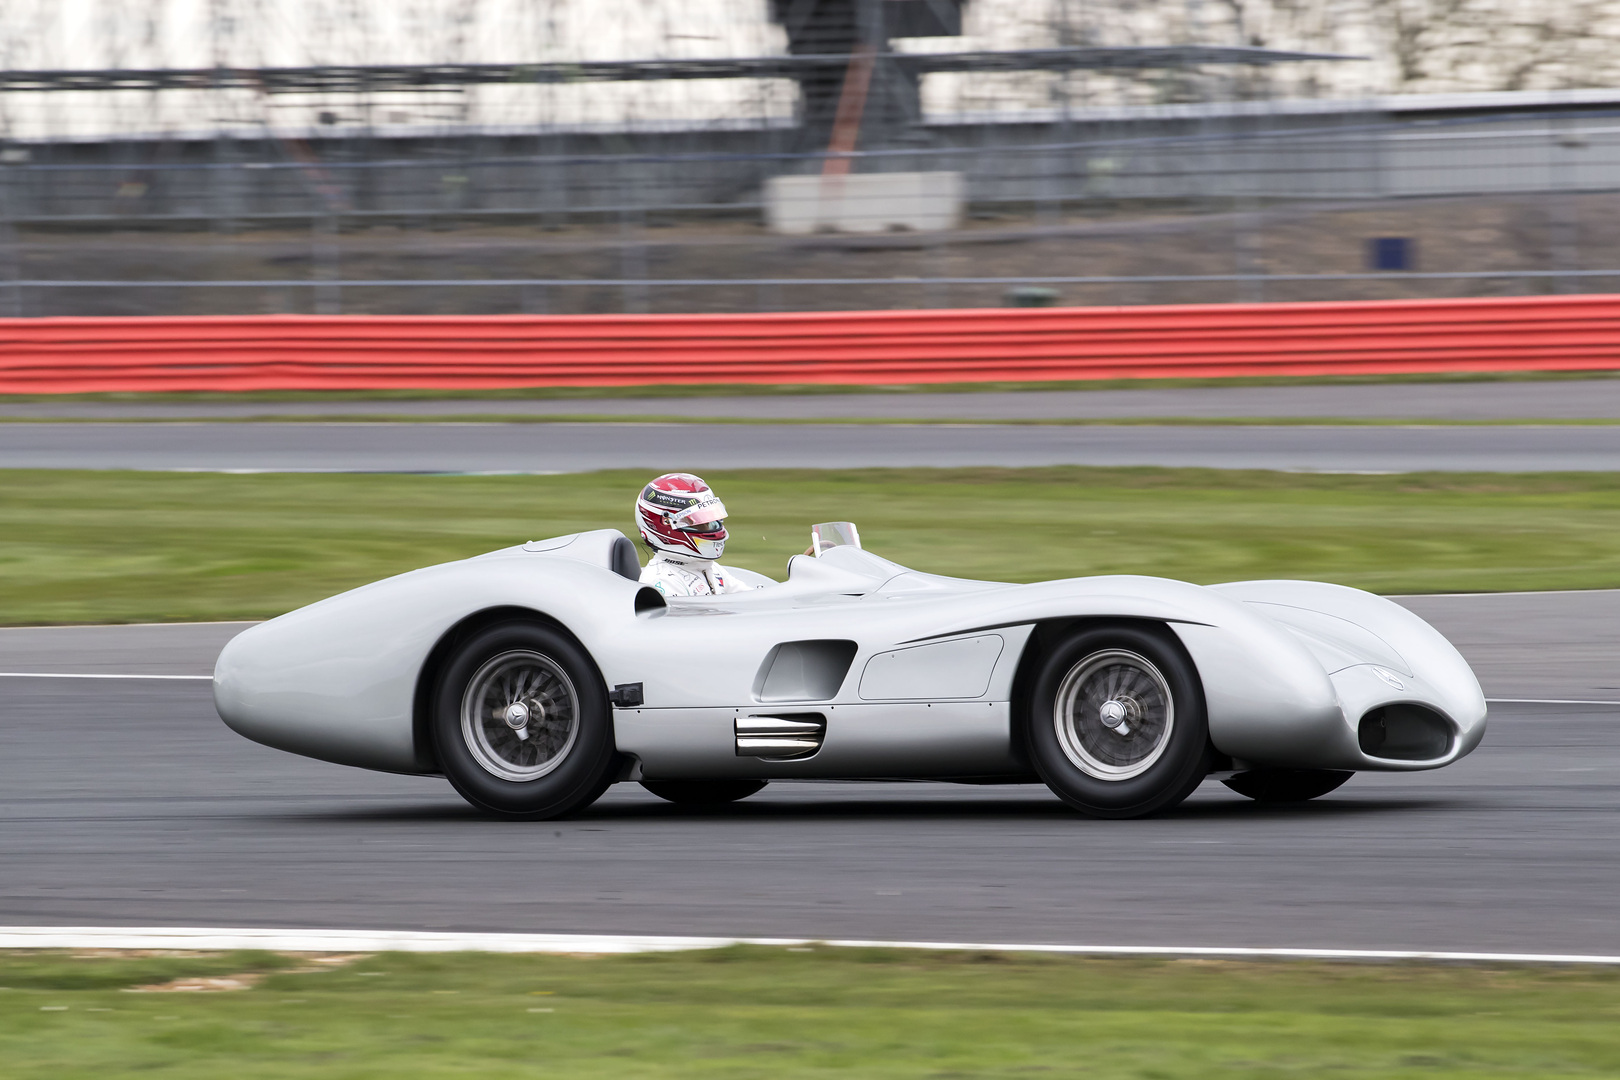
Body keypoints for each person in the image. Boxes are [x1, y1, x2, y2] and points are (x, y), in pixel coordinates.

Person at [635, 472, 764, 597]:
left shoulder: (708, 567)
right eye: (697, 522)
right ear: (666, 524)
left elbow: (749, 598)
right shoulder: (662, 582)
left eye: (710, 520)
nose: (709, 527)